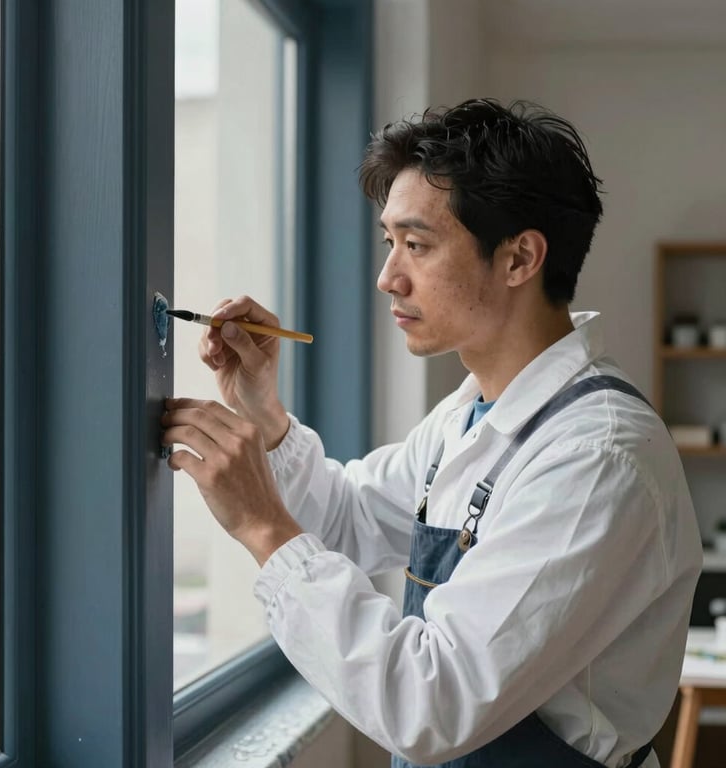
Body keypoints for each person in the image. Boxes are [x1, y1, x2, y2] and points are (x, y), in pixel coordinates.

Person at [161, 98, 702, 768]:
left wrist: (262, 527)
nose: (387, 277)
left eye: (416, 245)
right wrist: (265, 416)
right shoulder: (469, 414)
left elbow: (431, 705)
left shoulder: (597, 458)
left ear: (519, 258)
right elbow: (349, 522)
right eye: (389, 243)